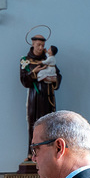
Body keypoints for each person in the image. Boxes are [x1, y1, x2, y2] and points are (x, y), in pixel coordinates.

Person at [21, 33, 62, 161]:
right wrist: (34, 72)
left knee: (49, 124)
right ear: (32, 44)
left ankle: (49, 153)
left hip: (48, 95)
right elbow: (24, 80)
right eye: (38, 45)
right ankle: (32, 153)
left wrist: (54, 80)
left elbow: (58, 75)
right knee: (33, 124)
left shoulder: (49, 59)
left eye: (43, 45)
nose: (40, 48)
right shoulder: (25, 61)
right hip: (34, 96)